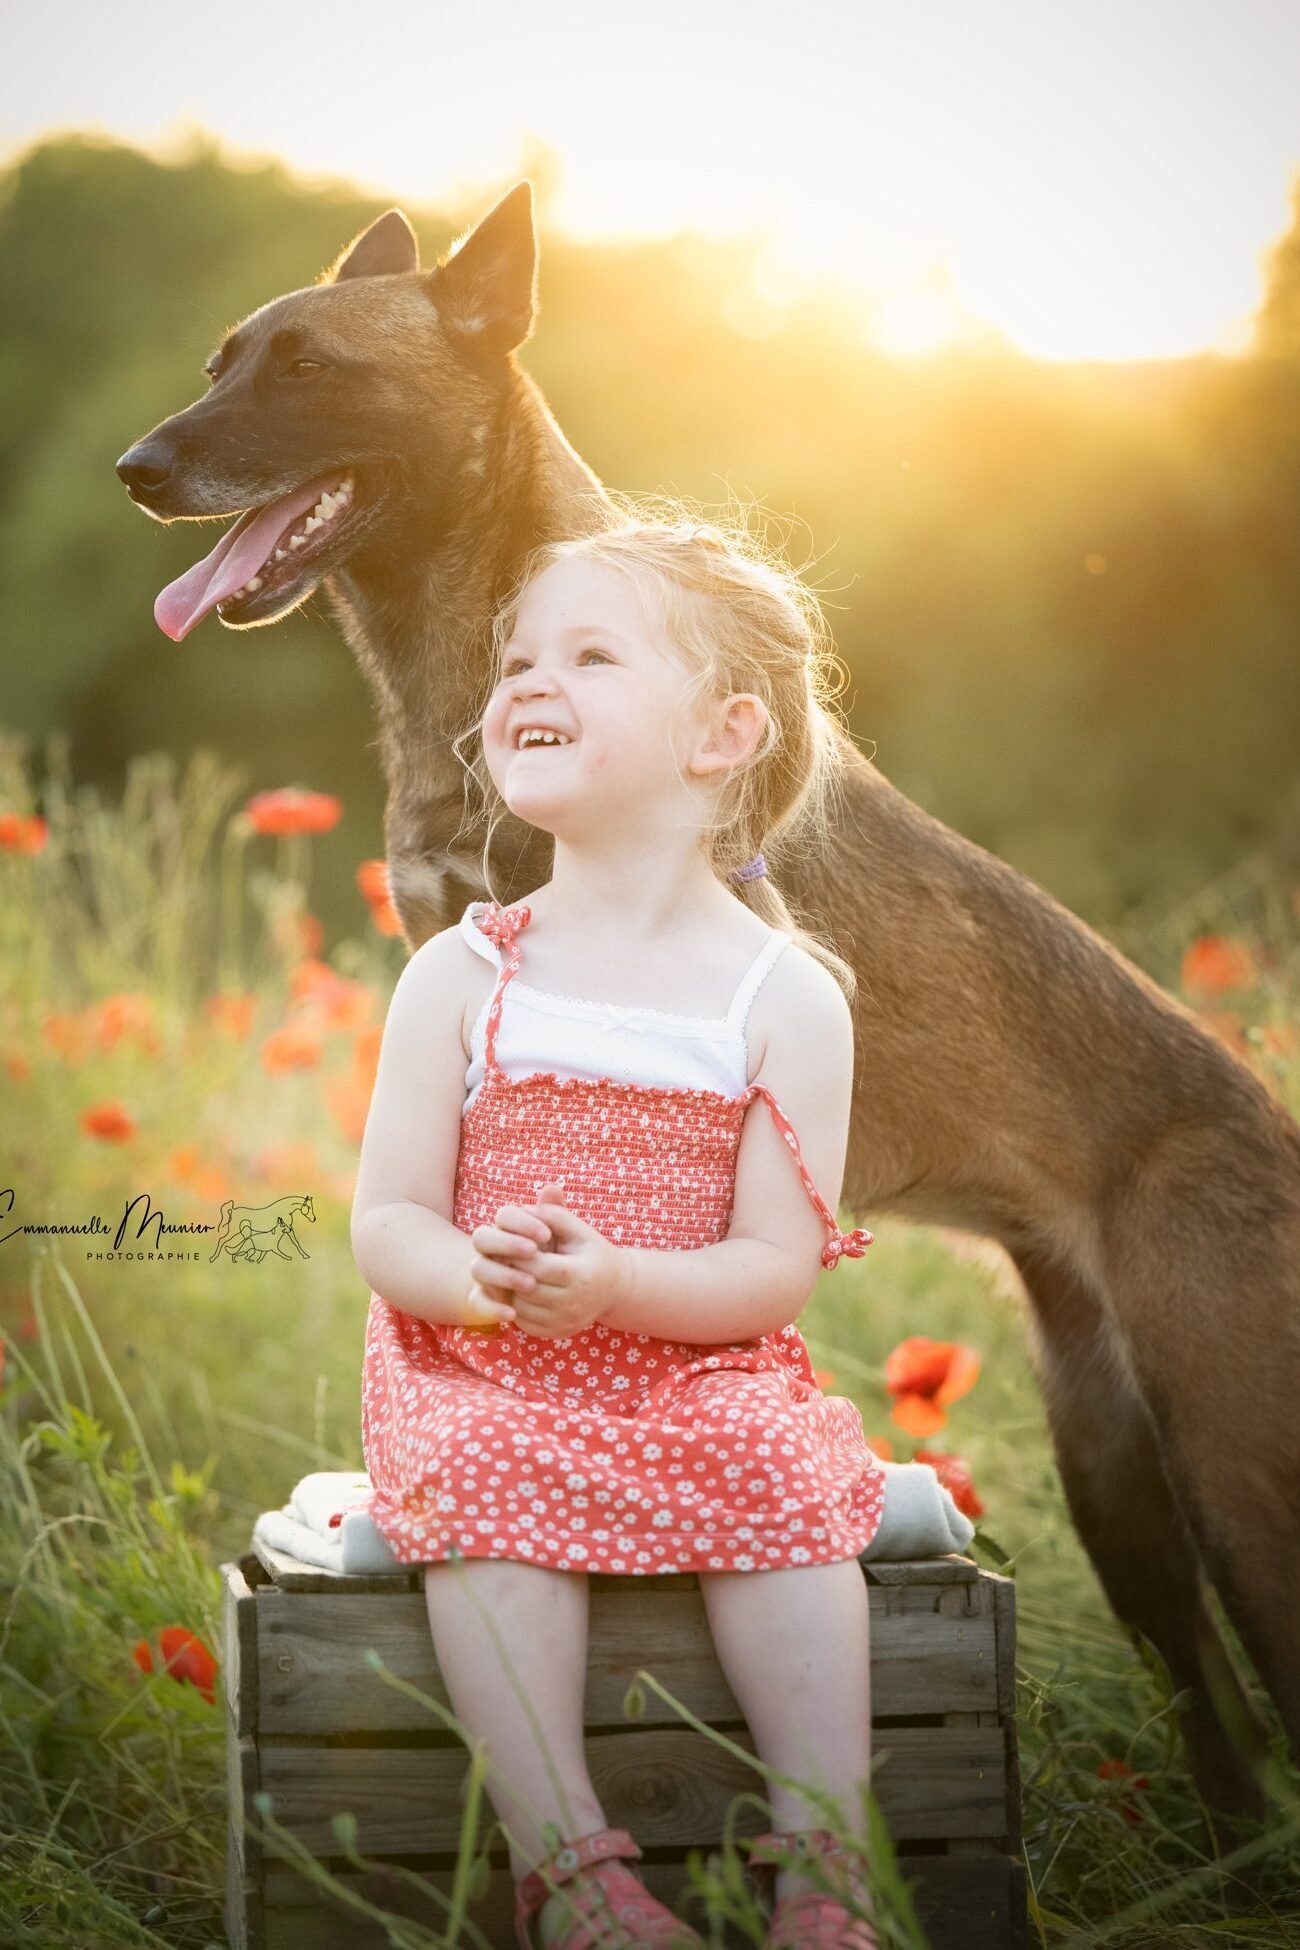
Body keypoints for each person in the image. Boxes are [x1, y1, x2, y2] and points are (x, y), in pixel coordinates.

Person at [355, 503, 886, 1949]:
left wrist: (622, 1286)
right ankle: (575, 1871)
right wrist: (477, 1276)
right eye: (517, 657)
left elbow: (775, 1272)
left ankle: (827, 1870)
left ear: (723, 736)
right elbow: (388, 1219)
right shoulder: (464, 977)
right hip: (492, 1361)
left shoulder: (783, 996)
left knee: (781, 1471)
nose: (526, 680)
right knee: (487, 1474)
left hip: (692, 1358)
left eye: (590, 655)